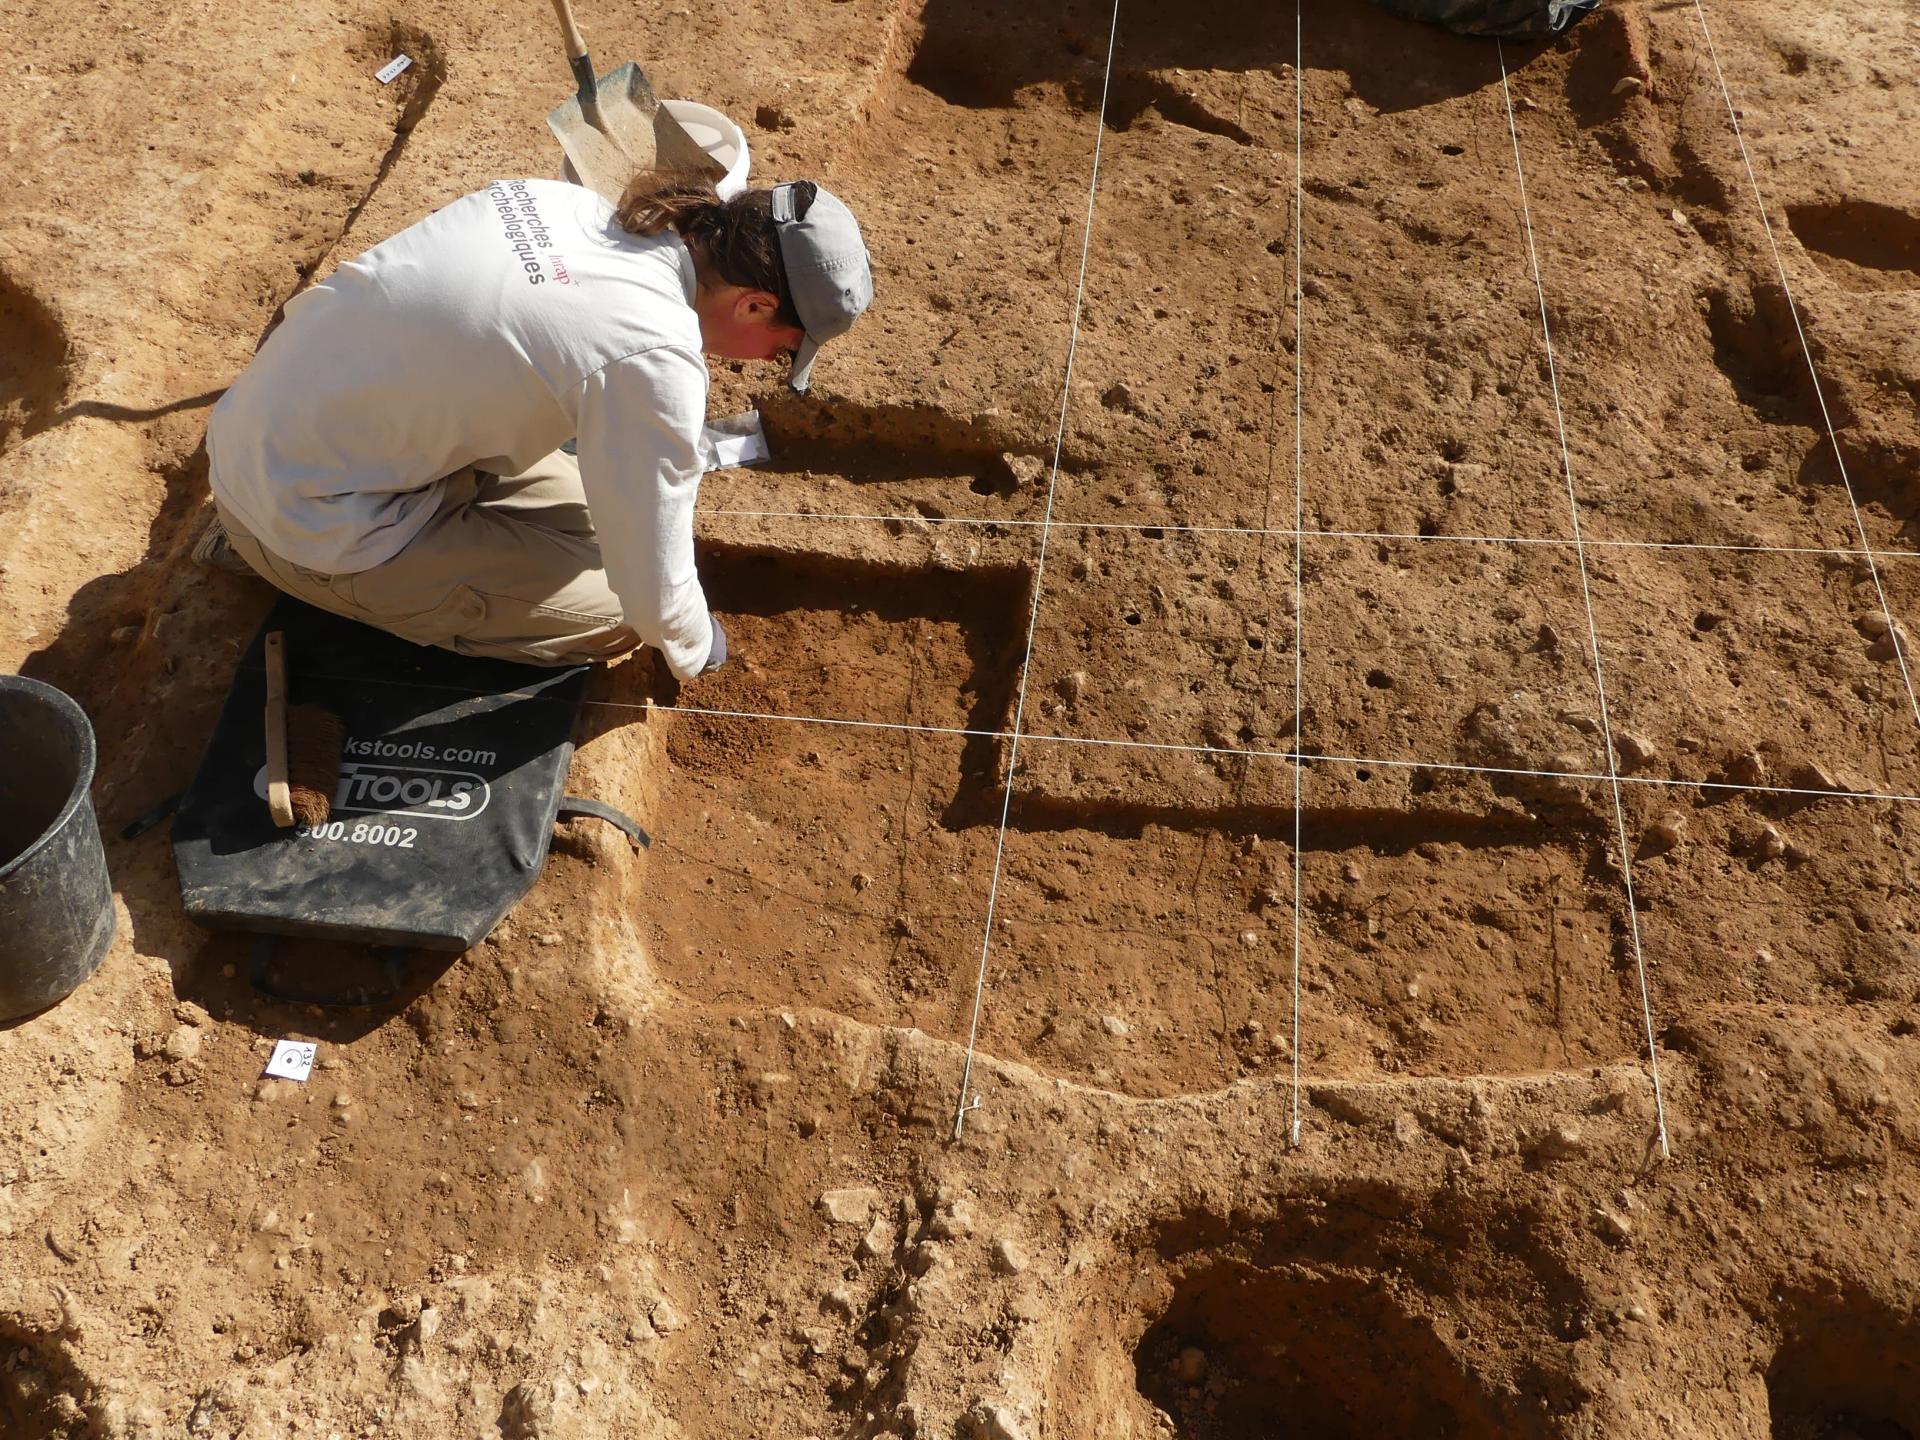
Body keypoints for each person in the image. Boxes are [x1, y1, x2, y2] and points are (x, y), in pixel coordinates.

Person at [203, 172, 873, 679]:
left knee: (601, 518)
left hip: (279, 436)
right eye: (781, 348)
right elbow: (655, 599)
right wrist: (699, 650)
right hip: (306, 521)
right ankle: (271, 562)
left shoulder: (562, 202)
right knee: (615, 617)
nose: (765, 364)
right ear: (754, 304)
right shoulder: (653, 354)